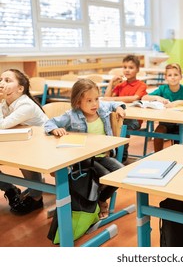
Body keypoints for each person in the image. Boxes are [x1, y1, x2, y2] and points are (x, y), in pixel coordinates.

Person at [44, 79, 126, 219]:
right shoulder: (71, 116)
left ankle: (99, 199)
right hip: (82, 159)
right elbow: (49, 123)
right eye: (89, 100)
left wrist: (119, 107)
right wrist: (55, 129)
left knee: (120, 173)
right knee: (104, 176)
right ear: (78, 102)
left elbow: (113, 103)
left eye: (96, 99)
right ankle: (90, 204)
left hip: (103, 156)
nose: (94, 104)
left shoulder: (101, 109)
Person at [0, 69, 48, 214]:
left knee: (26, 160)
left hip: (44, 147)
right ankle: (10, 189)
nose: (1, 84)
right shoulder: (5, 103)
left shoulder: (26, 105)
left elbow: (1, 125)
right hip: (21, 142)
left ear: (20, 89)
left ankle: (36, 197)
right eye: (0, 80)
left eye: (7, 81)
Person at [142, 63, 183, 152]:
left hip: (182, 124)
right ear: (166, 77)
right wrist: (157, 97)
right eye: (170, 75)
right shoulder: (163, 89)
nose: (173, 77)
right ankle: (158, 155)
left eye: (176, 75)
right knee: (158, 132)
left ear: (181, 76)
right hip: (166, 123)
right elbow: (144, 97)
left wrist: (178, 102)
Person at [103, 54, 147, 163]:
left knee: (123, 127)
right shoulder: (120, 85)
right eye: (125, 67)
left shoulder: (141, 85)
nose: (127, 70)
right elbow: (106, 99)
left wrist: (115, 100)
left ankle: (122, 156)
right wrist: (111, 83)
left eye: (131, 68)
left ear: (137, 70)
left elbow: (134, 98)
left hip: (134, 120)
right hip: (119, 117)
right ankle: (110, 154)